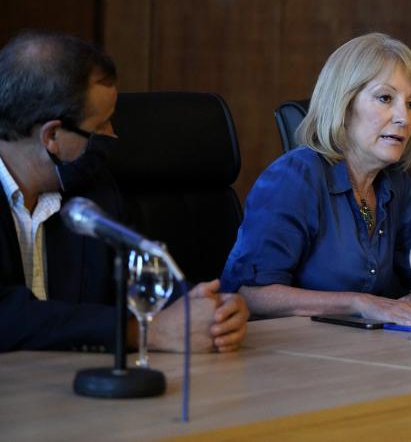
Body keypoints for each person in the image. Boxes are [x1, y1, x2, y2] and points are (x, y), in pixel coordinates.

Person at [0, 30, 248, 352]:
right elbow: (7, 315)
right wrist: (143, 332)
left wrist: (210, 310)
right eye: (101, 125)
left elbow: (144, 275)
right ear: (52, 136)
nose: (113, 135)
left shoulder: (94, 190)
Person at [221, 33, 411, 324]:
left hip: (366, 349)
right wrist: (361, 303)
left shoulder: (394, 182)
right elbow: (251, 294)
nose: (404, 117)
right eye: (385, 98)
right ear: (343, 104)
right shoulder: (294, 177)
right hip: (289, 354)